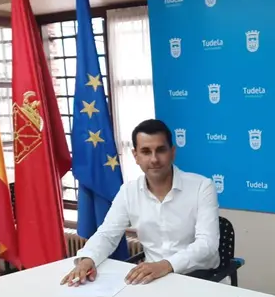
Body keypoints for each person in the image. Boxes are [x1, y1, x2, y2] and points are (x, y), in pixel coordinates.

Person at [60, 119, 220, 287]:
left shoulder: (202, 187)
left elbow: (207, 244)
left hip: (202, 279)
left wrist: (166, 265)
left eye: (161, 150)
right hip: (154, 280)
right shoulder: (128, 191)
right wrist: (87, 259)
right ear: (136, 156)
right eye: (146, 152)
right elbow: (107, 234)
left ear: (172, 152)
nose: (154, 159)